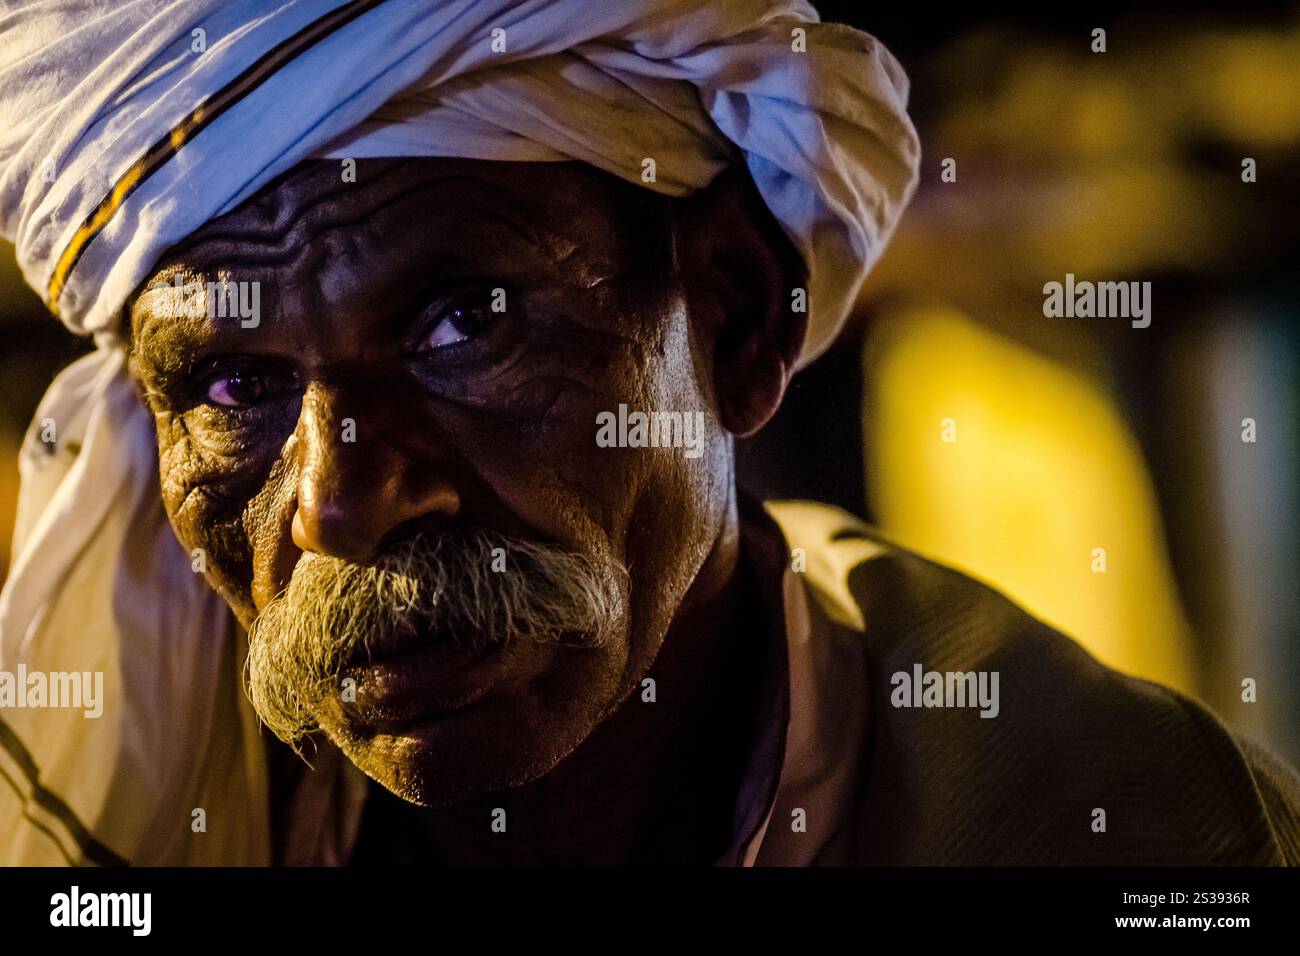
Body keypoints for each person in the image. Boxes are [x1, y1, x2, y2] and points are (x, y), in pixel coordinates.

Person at [1, 1, 1296, 867]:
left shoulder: (1140, 830)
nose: (339, 504)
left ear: (737, 317)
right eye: (233, 390)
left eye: (465, 322)